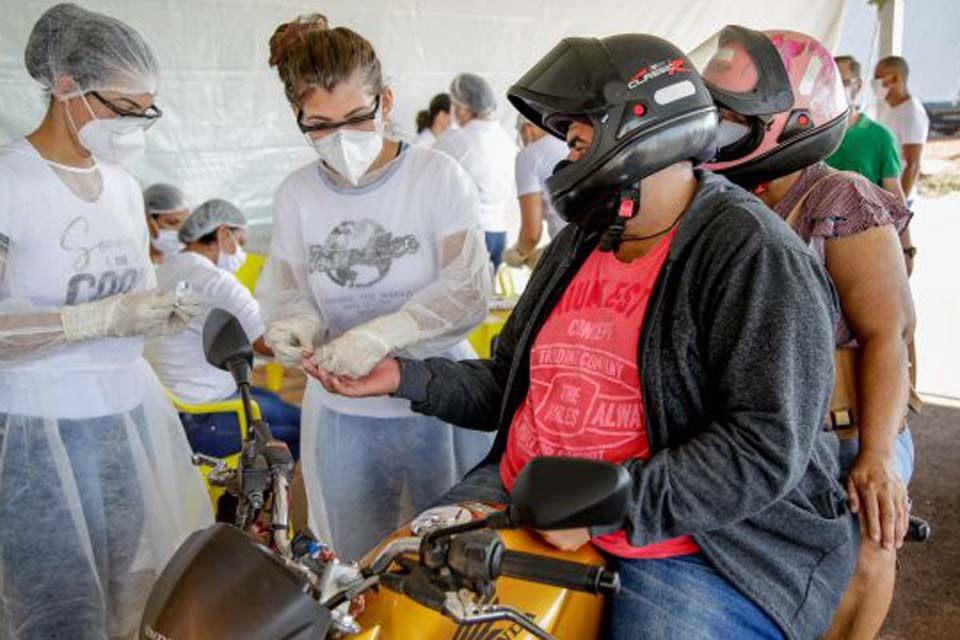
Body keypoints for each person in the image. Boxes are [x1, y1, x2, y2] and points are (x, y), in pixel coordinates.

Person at [311, 32, 858, 639]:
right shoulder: (582, 241)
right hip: (524, 487)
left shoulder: (751, 252)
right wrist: (402, 375)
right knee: (384, 606)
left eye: (575, 140)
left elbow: (762, 445)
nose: (566, 161)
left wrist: (614, 505)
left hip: (695, 540)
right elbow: (507, 381)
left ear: (638, 127)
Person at [0, 4, 212, 637]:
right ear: (67, 88)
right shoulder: (10, 180)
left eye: (146, 110)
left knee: (130, 592)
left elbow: (132, 296)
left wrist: (156, 314)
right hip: (36, 431)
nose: (135, 125)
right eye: (124, 108)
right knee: (59, 609)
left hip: (125, 421)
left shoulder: (122, 186)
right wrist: (90, 320)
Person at [703, 26, 916, 640]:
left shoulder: (840, 198)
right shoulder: (724, 201)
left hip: (849, 430)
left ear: (792, 120)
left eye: (734, 115)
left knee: (868, 547)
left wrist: (875, 459)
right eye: (717, 112)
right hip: (767, 433)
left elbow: (887, 335)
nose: (719, 126)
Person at [257, 13, 493, 560]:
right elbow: (289, 287)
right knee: (359, 555)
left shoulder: (435, 177)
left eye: (357, 118)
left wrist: (387, 332)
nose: (340, 139)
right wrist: (299, 322)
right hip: (345, 410)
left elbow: (466, 288)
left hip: (434, 395)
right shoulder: (297, 195)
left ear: (385, 102)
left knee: (445, 552)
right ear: (298, 117)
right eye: (319, 125)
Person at [145, 198, 302, 459]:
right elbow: (266, 344)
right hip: (203, 416)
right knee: (305, 427)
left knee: (275, 403)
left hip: (167, 409)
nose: (241, 253)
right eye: (240, 243)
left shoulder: (166, 269)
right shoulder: (215, 282)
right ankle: (262, 497)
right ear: (223, 234)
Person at [435, 73, 518, 270]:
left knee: (456, 299)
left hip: (465, 235)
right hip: (498, 233)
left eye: (454, 106)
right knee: (485, 298)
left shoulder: (453, 141)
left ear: (464, 108)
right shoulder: (507, 141)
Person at [827, 57, 904, 200]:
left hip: (868, 221)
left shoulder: (881, 138)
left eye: (844, 83)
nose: (836, 89)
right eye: (830, 83)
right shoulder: (813, 137)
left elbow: (895, 198)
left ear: (858, 85)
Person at [503, 114, 569, 269]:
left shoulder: (529, 156)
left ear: (527, 129)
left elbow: (531, 233)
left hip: (568, 248)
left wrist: (519, 253)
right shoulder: (571, 143)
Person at [873, 56, 929, 202]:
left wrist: (900, 206)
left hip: (898, 196)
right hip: (884, 193)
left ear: (895, 78)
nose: (875, 83)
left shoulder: (911, 112)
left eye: (879, 77)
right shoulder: (888, 107)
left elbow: (913, 163)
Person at [144, 182, 190, 264]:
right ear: (147, 221)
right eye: (172, 223)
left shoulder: (181, 262)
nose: (180, 231)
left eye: (184, 225)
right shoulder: (132, 260)